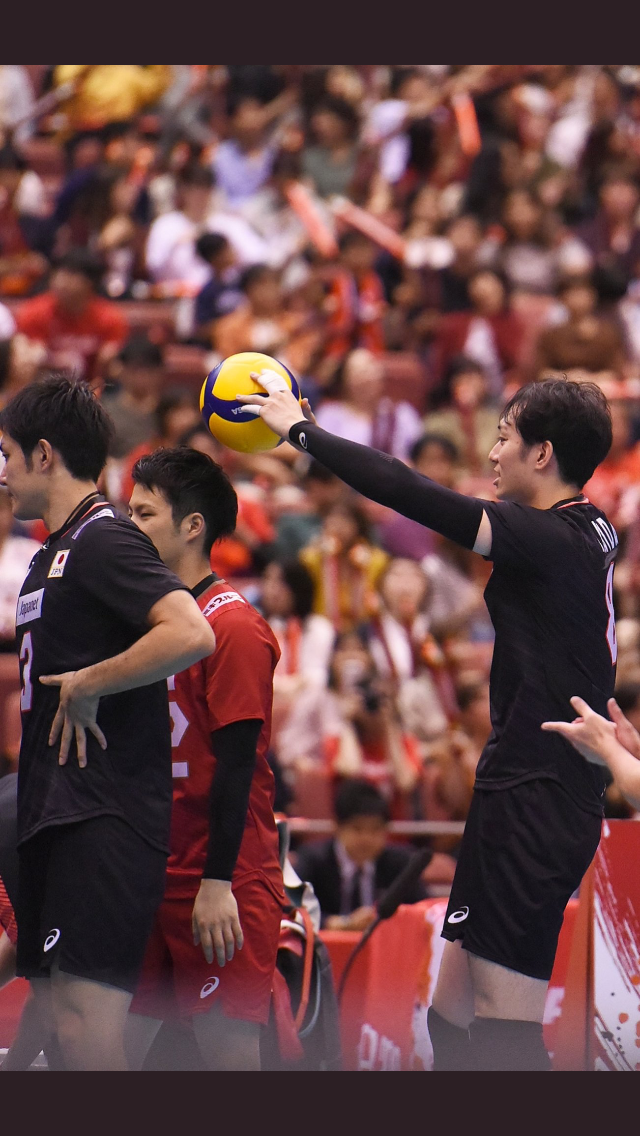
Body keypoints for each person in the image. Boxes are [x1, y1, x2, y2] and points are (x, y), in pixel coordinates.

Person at [239, 368, 616, 1071]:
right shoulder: (593, 529)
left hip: (541, 795)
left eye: (504, 438)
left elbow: (410, 492)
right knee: (450, 1020)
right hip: (514, 784)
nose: (494, 453)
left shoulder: (549, 537)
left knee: (505, 1039)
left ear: (543, 454)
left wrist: (303, 431)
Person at [0, 376, 215, 1071]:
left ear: (42, 455)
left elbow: (190, 632)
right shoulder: (48, 555)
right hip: (54, 810)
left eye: (6, 455)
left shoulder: (104, 539)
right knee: (66, 1028)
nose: (1, 472)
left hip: (104, 813)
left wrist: (94, 682)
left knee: (88, 1033)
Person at [125, 446, 285, 1071]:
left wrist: (218, 882)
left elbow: (239, 764)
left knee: (228, 1064)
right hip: (146, 872)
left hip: (222, 878)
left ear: (193, 527)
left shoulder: (234, 625)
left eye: (144, 515)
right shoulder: (144, 618)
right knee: (99, 1052)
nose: (128, 527)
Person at [295, 779, 427, 931]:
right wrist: (341, 924)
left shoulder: (401, 864)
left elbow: (422, 911)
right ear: (337, 827)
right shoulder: (313, 860)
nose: (367, 839)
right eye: (357, 829)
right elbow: (295, 910)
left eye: (375, 830)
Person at [15, 249, 128, 382]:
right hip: (44, 386)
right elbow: (28, 355)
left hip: (94, 388)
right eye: (58, 275)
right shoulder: (34, 313)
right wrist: (54, 361)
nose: (61, 282)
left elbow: (113, 361)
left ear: (89, 283)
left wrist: (108, 362)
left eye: (70, 276)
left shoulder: (109, 318)